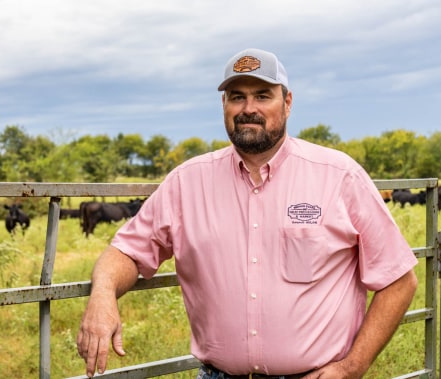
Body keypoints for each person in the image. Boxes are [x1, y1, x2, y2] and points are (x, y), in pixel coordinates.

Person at [76, 48, 418, 378]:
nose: (248, 108)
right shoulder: (187, 182)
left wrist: (353, 366)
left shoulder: (339, 175)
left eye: (263, 96)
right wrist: (103, 296)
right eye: (237, 96)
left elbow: (399, 280)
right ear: (223, 105)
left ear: (287, 102)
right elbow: (126, 252)